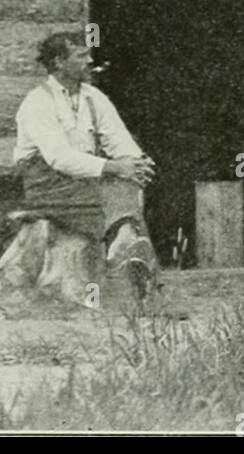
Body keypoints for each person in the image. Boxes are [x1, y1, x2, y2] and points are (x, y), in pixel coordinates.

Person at [12, 31, 159, 295]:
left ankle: (125, 246)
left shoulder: (93, 97)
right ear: (58, 62)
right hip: (47, 185)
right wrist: (114, 168)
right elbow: (59, 158)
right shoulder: (38, 102)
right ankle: (127, 252)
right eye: (81, 55)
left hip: (83, 180)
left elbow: (118, 139)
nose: (90, 60)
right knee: (115, 190)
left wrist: (136, 163)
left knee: (127, 182)